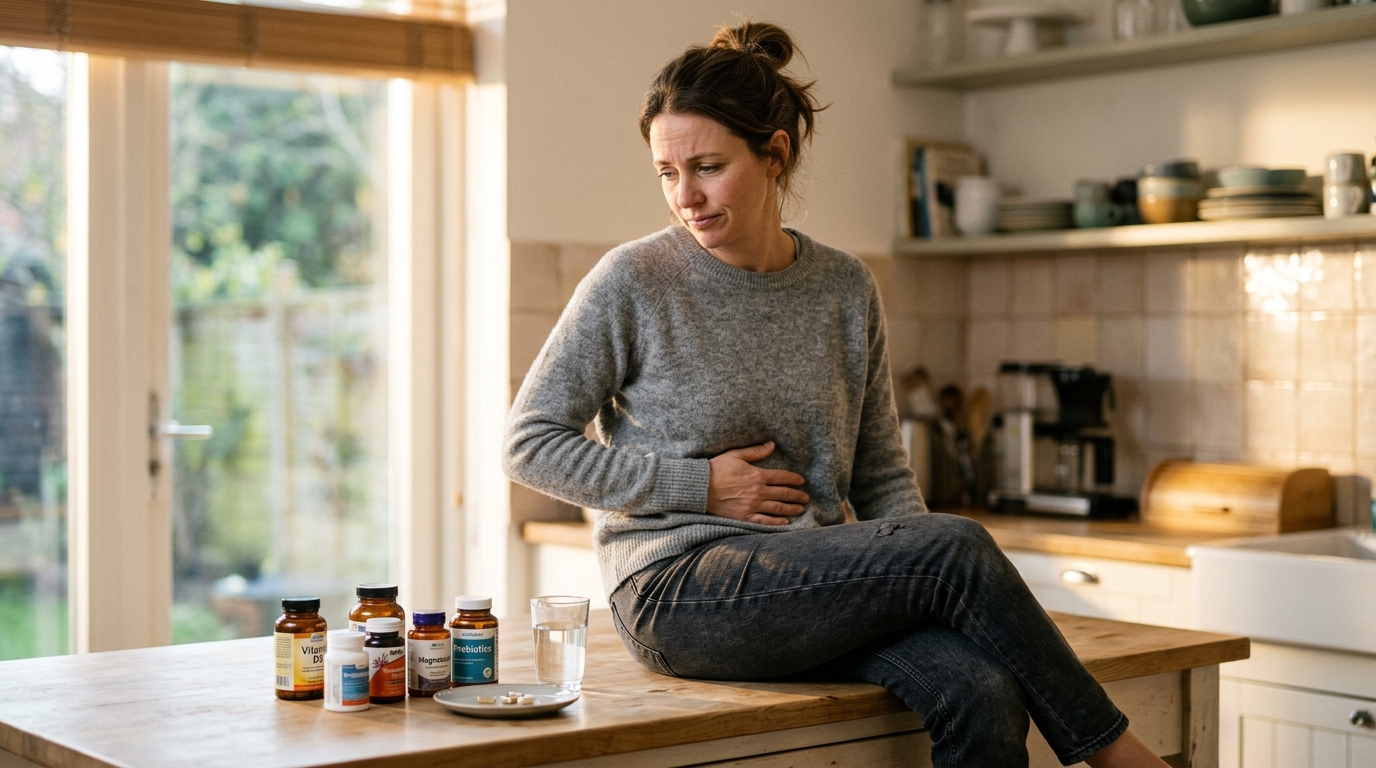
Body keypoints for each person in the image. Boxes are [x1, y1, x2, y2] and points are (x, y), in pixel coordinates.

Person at [503, 20, 1168, 768]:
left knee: (980, 689)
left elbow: (881, 475)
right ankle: (1117, 756)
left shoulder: (845, 287)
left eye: (708, 167)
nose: (685, 196)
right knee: (956, 545)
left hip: (820, 586)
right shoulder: (634, 281)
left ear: (775, 154)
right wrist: (699, 486)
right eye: (667, 172)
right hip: (678, 591)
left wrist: (929, 586)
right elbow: (528, 444)